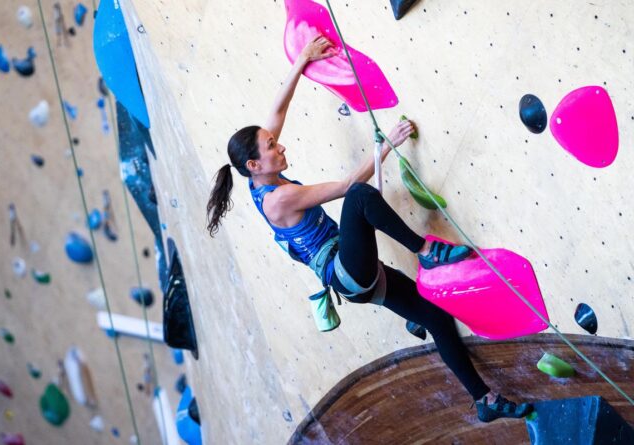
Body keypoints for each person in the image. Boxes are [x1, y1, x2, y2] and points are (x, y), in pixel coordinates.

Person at [205, 35, 532, 423]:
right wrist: (386, 146)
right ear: (255, 165)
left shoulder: (258, 176)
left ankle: (485, 400)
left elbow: (277, 109)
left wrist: (303, 59)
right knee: (360, 197)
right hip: (347, 272)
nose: (280, 147)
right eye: (272, 147)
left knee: (439, 319)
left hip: (355, 269)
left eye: (275, 141)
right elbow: (347, 187)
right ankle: (426, 251)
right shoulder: (278, 199)